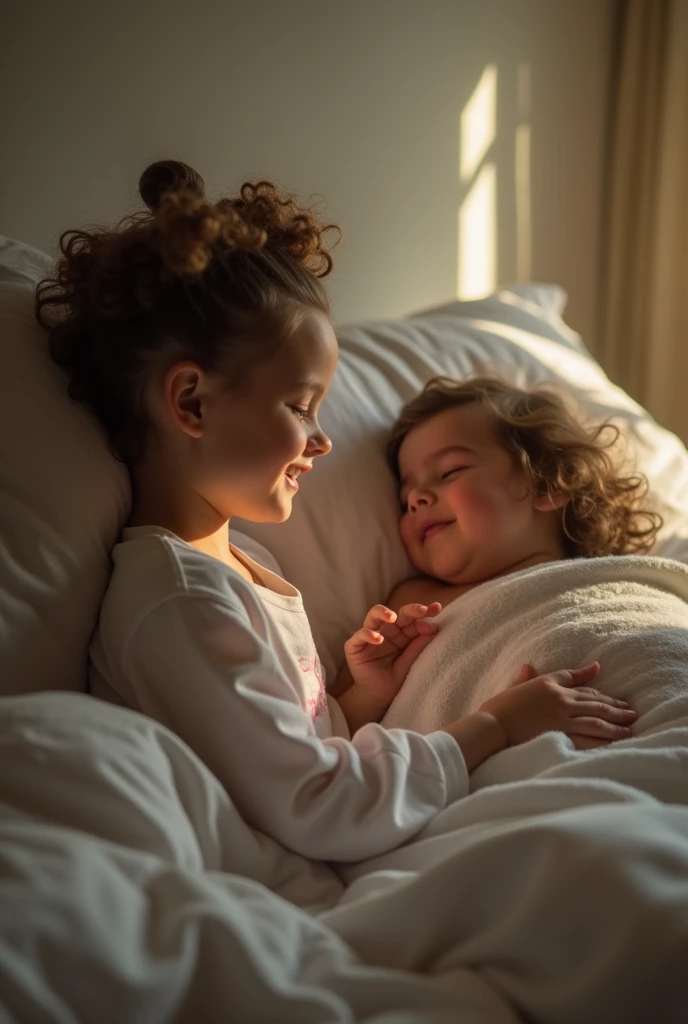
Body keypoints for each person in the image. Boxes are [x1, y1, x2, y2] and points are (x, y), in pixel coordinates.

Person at [36, 161, 635, 862]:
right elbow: (319, 805)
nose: (321, 439)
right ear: (192, 402)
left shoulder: (242, 567)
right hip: (268, 896)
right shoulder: (177, 601)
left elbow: (288, 756)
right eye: (299, 407)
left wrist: (356, 697)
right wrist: (496, 724)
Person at [384, 373, 662, 608]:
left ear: (548, 483)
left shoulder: (616, 586)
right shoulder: (409, 608)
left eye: (448, 472)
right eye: (404, 498)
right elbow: (356, 674)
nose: (415, 500)